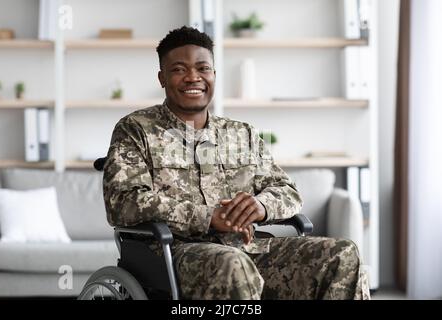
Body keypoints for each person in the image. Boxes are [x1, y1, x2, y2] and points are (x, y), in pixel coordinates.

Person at [103, 26, 370, 300]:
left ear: (214, 75)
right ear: (162, 78)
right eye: (179, 69)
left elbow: (288, 191)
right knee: (232, 265)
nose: (193, 77)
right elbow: (123, 203)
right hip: (173, 254)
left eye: (203, 68)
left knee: (342, 254)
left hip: (249, 247)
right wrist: (209, 218)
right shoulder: (135, 129)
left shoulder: (242, 134)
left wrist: (261, 206)